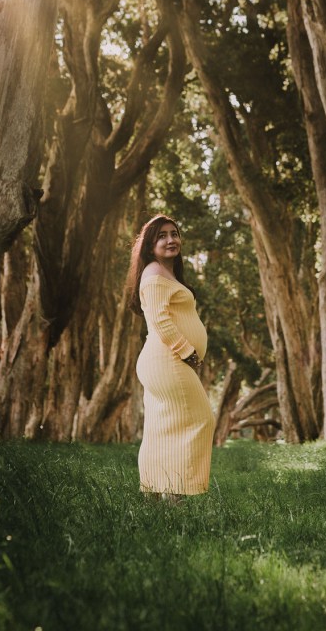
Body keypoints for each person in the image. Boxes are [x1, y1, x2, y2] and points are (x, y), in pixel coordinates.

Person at [127, 214, 215, 500]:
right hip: (168, 360)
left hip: (164, 361)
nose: (171, 240)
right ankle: (175, 494)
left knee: (163, 427)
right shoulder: (153, 274)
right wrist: (188, 353)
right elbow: (160, 321)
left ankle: (156, 495)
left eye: (174, 233)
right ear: (150, 245)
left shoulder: (164, 274)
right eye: (162, 236)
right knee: (200, 418)